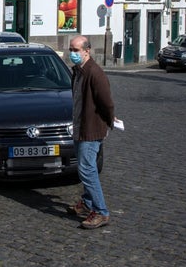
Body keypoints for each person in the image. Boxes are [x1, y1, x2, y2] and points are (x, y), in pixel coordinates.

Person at [66, 35, 116, 229]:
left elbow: (107, 103)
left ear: (87, 51)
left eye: (76, 50)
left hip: (91, 130)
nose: (72, 54)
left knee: (87, 170)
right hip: (79, 127)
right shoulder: (78, 72)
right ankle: (87, 203)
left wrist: (108, 122)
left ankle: (101, 212)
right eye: (71, 50)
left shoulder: (95, 73)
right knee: (85, 166)